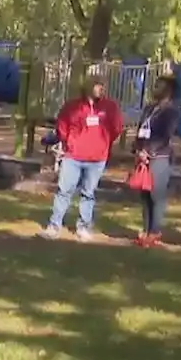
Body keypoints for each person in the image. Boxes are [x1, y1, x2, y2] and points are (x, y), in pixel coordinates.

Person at [39, 76, 123, 241]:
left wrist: (103, 144)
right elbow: (62, 126)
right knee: (64, 191)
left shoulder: (110, 107)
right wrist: (69, 143)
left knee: (88, 193)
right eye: (98, 85)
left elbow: (116, 128)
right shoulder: (72, 106)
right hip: (74, 156)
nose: (101, 89)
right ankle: (54, 225)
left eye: (103, 86)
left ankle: (83, 226)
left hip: (97, 158)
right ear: (88, 87)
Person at [133, 75, 181, 247]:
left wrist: (149, 151)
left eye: (158, 85)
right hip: (143, 157)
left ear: (168, 90)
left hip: (159, 158)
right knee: (145, 195)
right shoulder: (149, 109)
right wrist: (138, 149)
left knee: (156, 195)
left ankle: (154, 231)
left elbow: (166, 135)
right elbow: (141, 129)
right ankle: (145, 230)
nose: (154, 88)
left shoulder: (171, 112)